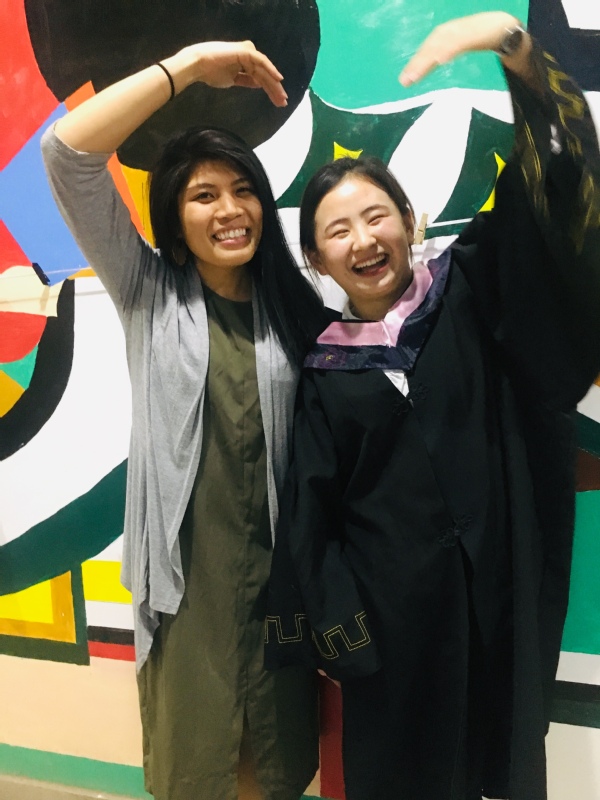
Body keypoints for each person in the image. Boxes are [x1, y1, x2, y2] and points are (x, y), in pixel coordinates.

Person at [265, 11, 600, 800]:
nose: (362, 238)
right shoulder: (326, 371)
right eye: (337, 230)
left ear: (410, 222)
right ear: (317, 258)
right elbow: (311, 518)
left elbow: (554, 180)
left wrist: (514, 49)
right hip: (397, 634)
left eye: (376, 215)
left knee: (501, 766)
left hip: (498, 606)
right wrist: (345, 636)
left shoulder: (471, 289)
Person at [41, 41, 327, 800]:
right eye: (204, 195)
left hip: (281, 589)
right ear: (175, 215)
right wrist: (192, 65)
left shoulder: (296, 314)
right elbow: (66, 154)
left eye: (243, 190)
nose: (229, 210)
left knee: (274, 770)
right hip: (185, 596)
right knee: (196, 773)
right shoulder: (147, 293)